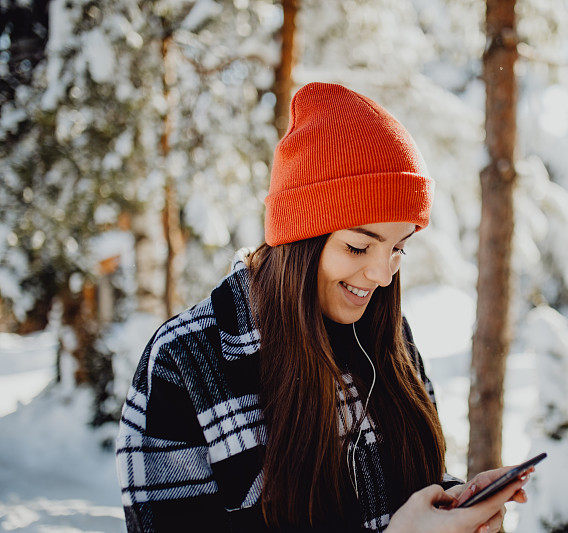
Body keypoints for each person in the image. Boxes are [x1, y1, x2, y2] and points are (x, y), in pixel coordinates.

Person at [115, 82, 533, 532]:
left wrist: (454, 508)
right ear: (299, 239)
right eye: (358, 247)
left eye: (398, 248)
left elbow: (406, 494)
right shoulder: (185, 364)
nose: (382, 275)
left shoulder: (389, 336)